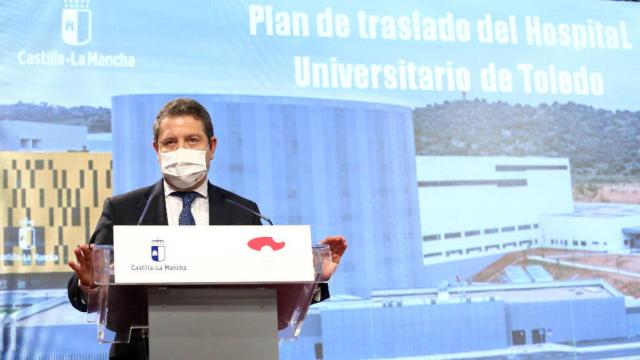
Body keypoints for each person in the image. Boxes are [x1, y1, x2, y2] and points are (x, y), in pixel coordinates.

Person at [67, 98, 347, 359]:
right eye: (170, 143)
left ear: (211, 147)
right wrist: (91, 283)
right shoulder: (124, 209)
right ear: (157, 150)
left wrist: (313, 276)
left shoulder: (242, 211)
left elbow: (269, 293)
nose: (181, 150)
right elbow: (88, 293)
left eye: (192, 140)